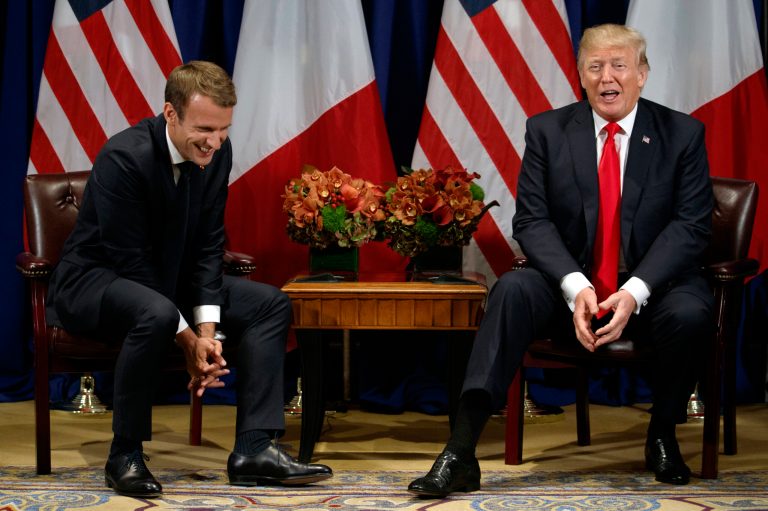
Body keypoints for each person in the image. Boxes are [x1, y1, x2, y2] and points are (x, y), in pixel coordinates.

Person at [408, 24, 714, 497]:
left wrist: (633, 293)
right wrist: (577, 287)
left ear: (642, 74)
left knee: (693, 311)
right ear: (581, 75)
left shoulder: (682, 134)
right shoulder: (547, 131)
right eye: (595, 67)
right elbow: (531, 221)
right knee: (510, 289)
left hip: (653, 291)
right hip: (572, 291)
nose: (607, 77)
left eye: (619, 65)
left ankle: (662, 434)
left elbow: (691, 226)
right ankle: (461, 450)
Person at [46, 61, 332, 498]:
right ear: (170, 113)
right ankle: (124, 455)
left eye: (223, 130)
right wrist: (188, 341)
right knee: (155, 310)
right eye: (204, 129)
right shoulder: (124, 157)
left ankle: (254, 449)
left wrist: (208, 332)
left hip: (167, 282)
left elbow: (206, 247)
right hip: (96, 282)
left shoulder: (216, 154)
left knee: (269, 302)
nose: (214, 142)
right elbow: (130, 263)